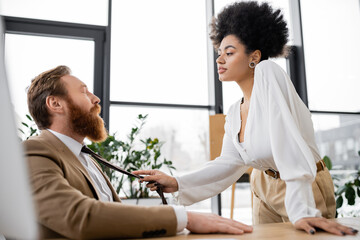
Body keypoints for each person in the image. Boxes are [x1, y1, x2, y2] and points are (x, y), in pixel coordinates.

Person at [133, 1, 358, 237]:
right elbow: (228, 164)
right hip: (262, 185)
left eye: (229, 53)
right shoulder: (233, 113)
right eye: (219, 53)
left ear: (255, 56)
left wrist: (302, 209)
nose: (220, 60)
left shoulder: (268, 73)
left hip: (302, 183)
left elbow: (288, 142)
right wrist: (177, 182)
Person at [23, 65, 253, 239]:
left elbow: (114, 221)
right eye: (84, 92)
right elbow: (78, 216)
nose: (95, 99)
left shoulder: (87, 158)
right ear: (55, 104)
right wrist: (185, 218)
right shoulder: (33, 151)